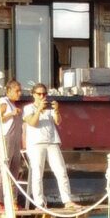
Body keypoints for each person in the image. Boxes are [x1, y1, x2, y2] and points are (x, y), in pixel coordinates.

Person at [24, 82, 73, 210]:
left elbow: (58, 121)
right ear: (33, 95)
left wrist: (56, 110)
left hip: (52, 141)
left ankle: (67, 200)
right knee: (37, 173)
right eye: (39, 94)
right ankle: (39, 203)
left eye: (44, 94)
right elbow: (32, 123)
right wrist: (39, 110)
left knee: (61, 171)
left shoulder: (49, 108)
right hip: (36, 143)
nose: (42, 96)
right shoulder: (28, 108)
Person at [0, 76, 27, 218]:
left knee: (14, 171)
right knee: (1, 169)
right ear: (9, 91)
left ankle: (12, 201)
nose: (19, 93)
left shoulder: (15, 105)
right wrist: (11, 114)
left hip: (15, 140)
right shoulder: (4, 103)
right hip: (5, 139)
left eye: (20, 91)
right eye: (17, 91)